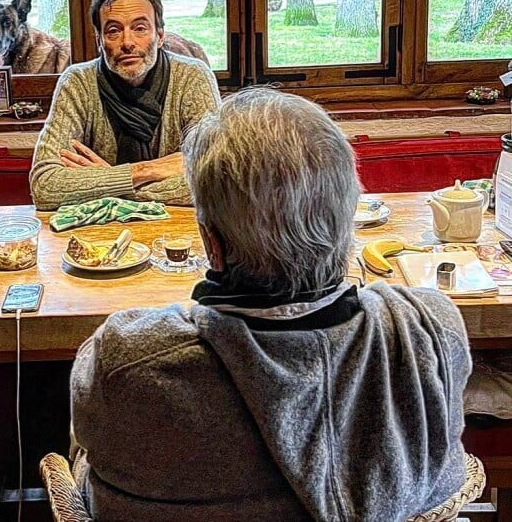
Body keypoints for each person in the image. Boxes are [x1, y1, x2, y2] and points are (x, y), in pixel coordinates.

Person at [71, 88, 472, 521]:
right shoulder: (429, 330)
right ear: (348, 220)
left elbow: (93, 452)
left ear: (212, 245)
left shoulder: (125, 357)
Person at [30, 0, 221, 211]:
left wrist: (104, 182)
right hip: (96, 236)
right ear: (99, 41)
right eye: (113, 31)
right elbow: (45, 186)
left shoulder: (192, 77)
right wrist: (143, 171)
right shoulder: (77, 82)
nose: (127, 42)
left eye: (140, 28)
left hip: (176, 234)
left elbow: (215, 180)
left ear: (159, 36)